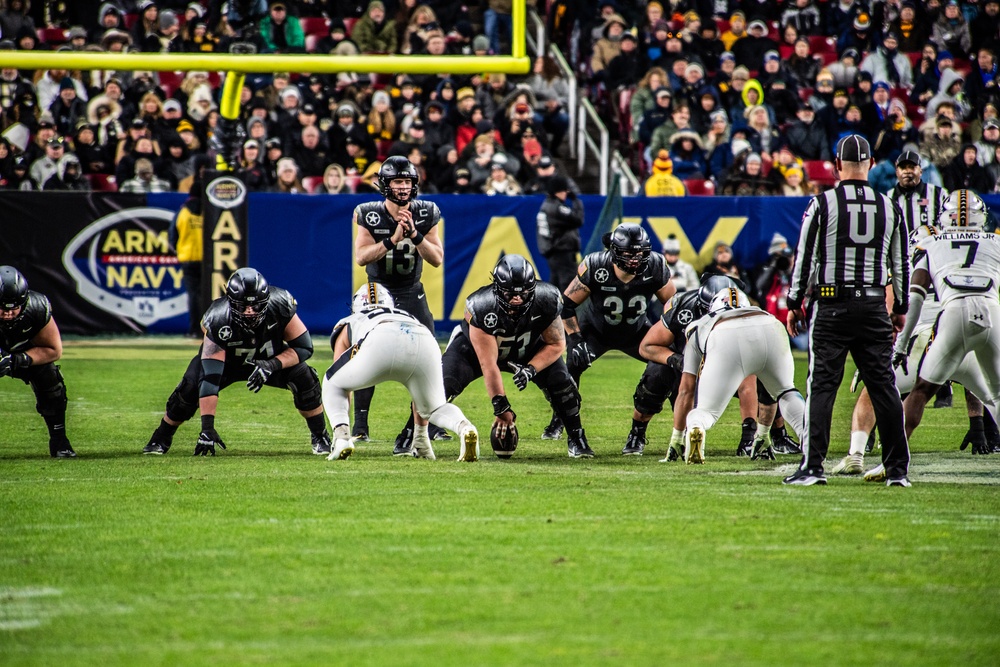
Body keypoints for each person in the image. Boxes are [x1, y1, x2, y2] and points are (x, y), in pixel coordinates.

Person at [784, 134, 912, 487]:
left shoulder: (822, 203)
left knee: (822, 385)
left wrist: (795, 302)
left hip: (832, 303)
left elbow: (804, 259)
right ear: (871, 165)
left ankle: (812, 468)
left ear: (837, 165)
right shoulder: (890, 206)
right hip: (873, 304)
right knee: (883, 385)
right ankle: (897, 470)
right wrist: (899, 307)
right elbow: (899, 264)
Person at [834, 215, 998, 475]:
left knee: (874, 390)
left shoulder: (912, 263)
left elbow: (891, 313)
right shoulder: (968, 258)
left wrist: (881, 352)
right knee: (995, 397)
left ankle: (857, 453)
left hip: (925, 341)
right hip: (968, 334)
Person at [142, 268, 331, 456]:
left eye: (256, 306)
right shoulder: (217, 317)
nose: (249, 312)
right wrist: (207, 428)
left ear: (266, 301)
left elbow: (304, 347)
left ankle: (320, 436)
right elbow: (210, 378)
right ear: (231, 302)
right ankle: (161, 436)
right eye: (242, 306)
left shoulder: (280, 305)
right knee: (188, 390)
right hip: (227, 363)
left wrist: (272, 365)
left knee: (305, 379)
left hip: (268, 360)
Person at [889, 191, 1000, 475]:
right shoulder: (996, 241)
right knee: (997, 396)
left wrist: (902, 345)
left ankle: (893, 460)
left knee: (921, 391)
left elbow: (914, 299)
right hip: (991, 313)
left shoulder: (932, 243)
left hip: (952, 315)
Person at [540, 224, 676, 455]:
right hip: (597, 331)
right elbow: (566, 306)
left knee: (671, 365)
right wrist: (576, 340)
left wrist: (665, 337)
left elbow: (673, 307)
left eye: (640, 253)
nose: (635, 260)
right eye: (628, 254)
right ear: (614, 251)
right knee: (570, 367)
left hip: (636, 332)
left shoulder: (655, 265)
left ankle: (652, 432)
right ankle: (560, 419)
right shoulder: (596, 266)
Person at [441, 254, 593, 458]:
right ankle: (413, 434)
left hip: (528, 349)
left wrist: (531, 369)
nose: (517, 299)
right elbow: (489, 365)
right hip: (474, 352)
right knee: (440, 385)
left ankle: (577, 438)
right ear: (497, 289)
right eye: (510, 293)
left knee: (565, 387)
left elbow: (556, 344)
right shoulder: (481, 306)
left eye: (523, 293)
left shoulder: (546, 299)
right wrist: (502, 407)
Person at [321, 283, 480, 462]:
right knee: (433, 407)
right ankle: (464, 428)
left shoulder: (351, 320)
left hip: (381, 338)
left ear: (357, 306)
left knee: (331, 381)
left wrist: (343, 423)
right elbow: (419, 401)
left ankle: (341, 439)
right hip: (424, 338)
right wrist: (420, 435)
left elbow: (340, 379)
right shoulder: (407, 314)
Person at [351, 156, 445, 451]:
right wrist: (392, 240)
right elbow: (361, 257)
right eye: (397, 182)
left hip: (410, 290)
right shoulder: (368, 214)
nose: (403, 188)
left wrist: (415, 234)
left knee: (430, 355)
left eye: (407, 182)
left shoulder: (427, 212)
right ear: (385, 184)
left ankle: (431, 422)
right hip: (377, 290)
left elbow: (436, 259)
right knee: (366, 352)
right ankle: (360, 425)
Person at [655, 286, 807, 464]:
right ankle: (808, 436)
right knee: (785, 391)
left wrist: (676, 438)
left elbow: (686, 390)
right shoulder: (760, 312)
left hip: (724, 334)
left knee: (706, 411)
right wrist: (763, 433)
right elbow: (766, 394)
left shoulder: (700, 324)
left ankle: (696, 427)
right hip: (770, 327)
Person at [639, 274, 752, 461]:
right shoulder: (686, 315)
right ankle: (638, 432)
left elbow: (749, 383)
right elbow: (647, 346)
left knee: (769, 385)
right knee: (657, 374)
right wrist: (675, 360)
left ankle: (774, 434)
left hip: (727, 365)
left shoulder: (746, 318)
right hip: (693, 363)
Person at [0, 266, 75, 458]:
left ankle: (59, 440)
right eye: (1, 308)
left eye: (14, 308)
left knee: (50, 380)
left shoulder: (37, 308)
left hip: (21, 354)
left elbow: (53, 350)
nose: (7, 314)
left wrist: (17, 360)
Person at [170, 174, 205, 338]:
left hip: (187, 258)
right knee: (207, 296)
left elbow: (172, 236)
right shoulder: (209, 212)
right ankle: (208, 329)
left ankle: (194, 330)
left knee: (193, 295)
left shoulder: (182, 212)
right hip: (207, 261)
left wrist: (178, 250)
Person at [536, 174, 584, 293]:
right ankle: (565, 311)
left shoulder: (546, 206)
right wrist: (576, 200)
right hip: (562, 252)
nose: (566, 193)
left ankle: (552, 310)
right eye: (564, 190)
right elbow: (578, 219)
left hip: (553, 253)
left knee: (555, 285)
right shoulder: (556, 207)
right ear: (556, 191)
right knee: (568, 286)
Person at [888, 149, 950, 237]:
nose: (907, 171)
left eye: (911, 167)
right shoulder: (888, 197)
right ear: (897, 172)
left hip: (930, 249)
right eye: (903, 168)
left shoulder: (939, 194)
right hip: (901, 250)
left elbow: (948, 225)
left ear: (920, 171)